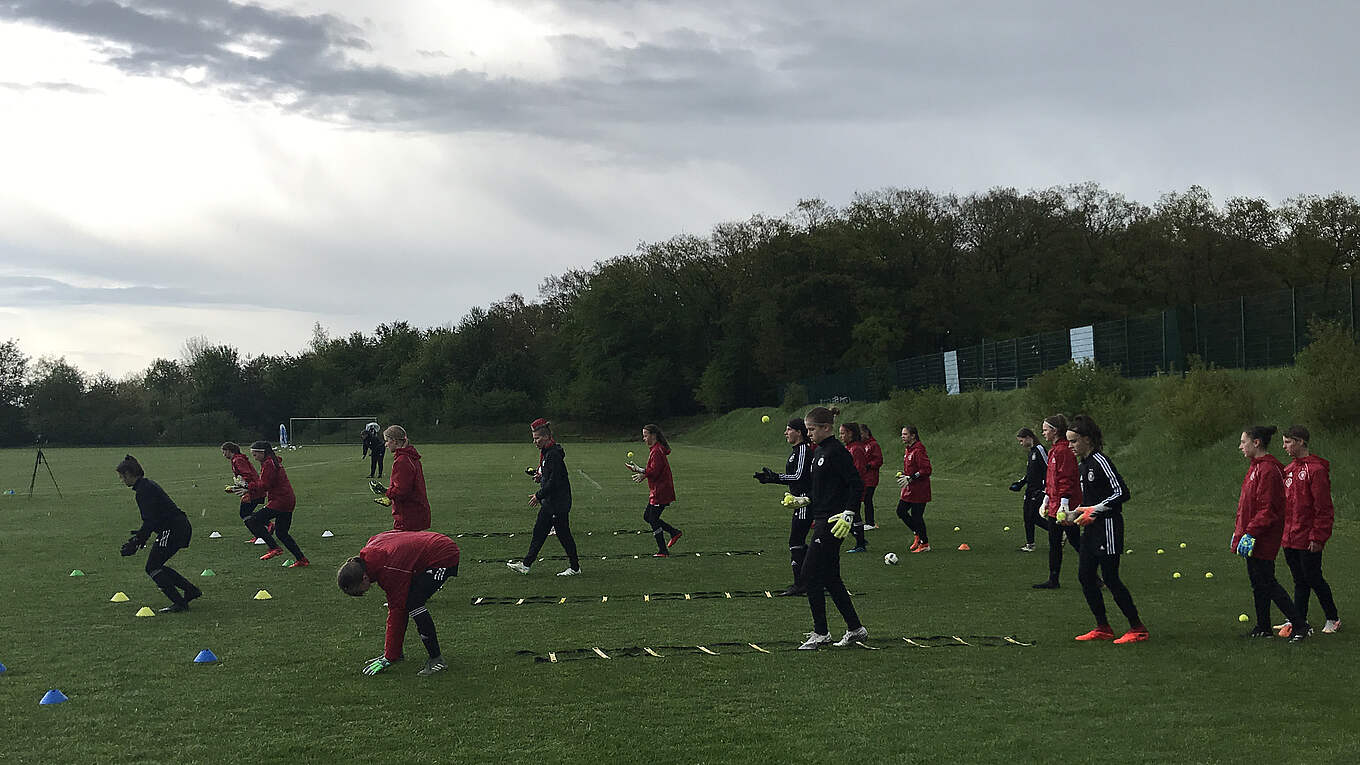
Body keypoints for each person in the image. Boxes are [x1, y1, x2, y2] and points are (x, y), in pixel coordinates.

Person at [1064, 415, 1148, 644]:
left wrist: (1095, 510)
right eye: (1069, 441)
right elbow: (1091, 501)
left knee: (1110, 577)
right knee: (1085, 576)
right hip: (1091, 529)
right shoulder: (1083, 465)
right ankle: (1103, 627)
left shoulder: (1101, 461)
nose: (1070, 446)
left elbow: (1121, 492)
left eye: (1073, 441)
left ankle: (1137, 628)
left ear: (1087, 439)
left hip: (1108, 527)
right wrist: (1075, 514)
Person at [337, 530, 461, 677]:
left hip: (443, 554)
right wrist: (391, 654)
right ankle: (397, 653)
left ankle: (437, 660)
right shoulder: (371, 553)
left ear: (364, 578)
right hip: (429, 547)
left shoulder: (388, 570)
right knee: (408, 601)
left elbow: (397, 611)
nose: (362, 594)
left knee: (414, 603)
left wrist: (389, 657)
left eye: (359, 591)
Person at [796, 406, 867, 649]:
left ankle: (821, 633)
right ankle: (855, 628)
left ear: (826, 428)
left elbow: (856, 484)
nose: (808, 434)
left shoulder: (837, 451)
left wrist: (849, 512)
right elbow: (824, 489)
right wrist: (805, 500)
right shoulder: (819, 451)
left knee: (809, 573)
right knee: (830, 577)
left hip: (832, 523)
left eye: (811, 429)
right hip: (821, 518)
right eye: (807, 430)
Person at [1232, 425, 1304, 640]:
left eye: (1243, 442)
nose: (1240, 446)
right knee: (1258, 583)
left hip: (1263, 536)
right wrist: (1239, 532)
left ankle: (1300, 625)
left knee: (1267, 582)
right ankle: (1263, 626)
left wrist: (1251, 532)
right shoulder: (1255, 468)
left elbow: (1268, 509)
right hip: (1253, 534)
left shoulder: (1268, 470)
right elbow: (1247, 506)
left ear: (1256, 443)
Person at [116, 455, 202, 613]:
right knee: (156, 565)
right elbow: (152, 519)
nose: (121, 480)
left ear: (128, 474)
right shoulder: (146, 485)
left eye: (122, 476)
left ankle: (180, 603)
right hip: (177, 527)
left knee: (152, 567)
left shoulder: (143, 491)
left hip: (172, 529)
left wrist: (137, 541)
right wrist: (140, 538)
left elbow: (150, 520)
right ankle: (190, 590)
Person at [1276, 425, 1340, 637]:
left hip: (1308, 536)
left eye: (1288, 442)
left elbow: (1323, 508)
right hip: (1290, 535)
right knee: (1299, 579)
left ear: (1300, 442)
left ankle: (1332, 617)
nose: (1284, 447)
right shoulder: (1288, 470)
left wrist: (1318, 536)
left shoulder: (1316, 470)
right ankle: (1298, 619)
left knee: (1313, 577)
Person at [507, 418, 581, 576]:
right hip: (551, 503)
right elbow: (550, 476)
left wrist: (538, 495)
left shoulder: (553, 454)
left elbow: (555, 482)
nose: (535, 442)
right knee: (540, 533)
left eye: (537, 438)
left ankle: (575, 568)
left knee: (563, 536)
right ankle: (526, 565)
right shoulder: (547, 452)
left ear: (547, 437)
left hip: (557, 503)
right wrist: (541, 477)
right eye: (534, 439)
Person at [754, 417, 817, 596]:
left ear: (799, 432)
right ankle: (810, 580)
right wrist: (771, 479)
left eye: (789, 429)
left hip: (805, 501)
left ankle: (802, 584)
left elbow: (799, 476)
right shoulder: (796, 451)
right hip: (799, 502)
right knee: (797, 542)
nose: (785, 433)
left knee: (795, 542)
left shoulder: (803, 450)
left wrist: (774, 477)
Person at [235, 441, 309, 568]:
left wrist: (247, 486)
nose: (254, 458)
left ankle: (274, 548)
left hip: (280, 500)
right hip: (287, 499)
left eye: (255, 454)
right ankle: (302, 559)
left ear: (262, 452)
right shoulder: (272, 462)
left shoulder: (269, 464)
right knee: (282, 533)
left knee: (253, 520)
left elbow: (265, 485)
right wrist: (248, 488)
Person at [1033, 415, 1082, 588]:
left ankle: (1097, 575)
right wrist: (1046, 499)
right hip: (1055, 505)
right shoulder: (1054, 451)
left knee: (1076, 541)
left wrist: (1064, 503)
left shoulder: (1064, 451)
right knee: (1055, 543)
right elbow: (1051, 479)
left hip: (1064, 506)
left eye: (1045, 430)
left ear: (1054, 431)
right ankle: (1053, 579)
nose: (1043, 433)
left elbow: (1066, 478)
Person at [626, 423, 681, 557]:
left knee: (652, 518)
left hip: (661, 490)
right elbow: (654, 470)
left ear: (653, 435)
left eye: (645, 435)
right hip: (659, 489)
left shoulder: (657, 451)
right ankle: (674, 532)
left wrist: (640, 471)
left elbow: (654, 472)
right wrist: (642, 473)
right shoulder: (656, 449)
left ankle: (663, 550)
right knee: (648, 516)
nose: (644, 438)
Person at [372, 425, 430, 531]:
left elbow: (402, 491)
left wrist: (386, 492)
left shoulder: (402, 460)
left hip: (408, 515)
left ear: (394, 441)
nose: (386, 444)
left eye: (387, 441)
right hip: (416, 511)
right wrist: (390, 498)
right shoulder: (411, 457)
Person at [1008, 427, 1049, 552]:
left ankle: (1059, 530)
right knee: (1027, 516)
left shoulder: (1040, 449)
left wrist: (1046, 487)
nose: (1021, 444)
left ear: (1028, 437)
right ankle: (1030, 544)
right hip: (1030, 489)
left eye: (1021, 441)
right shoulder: (1031, 452)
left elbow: (1049, 468)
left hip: (1039, 490)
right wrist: (1020, 483)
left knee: (1033, 516)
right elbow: (1031, 473)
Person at [895, 424, 933, 553]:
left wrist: (911, 477)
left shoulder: (919, 450)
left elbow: (926, 470)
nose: (902, 436)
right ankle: (917, 533)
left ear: (913, 436)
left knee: (917, 516)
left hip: (920, 489)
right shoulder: (909, 450)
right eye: (902, 434)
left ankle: (925, 544)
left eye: (905, 434)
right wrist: (905, 475)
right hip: (910, 489)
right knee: (901, 511)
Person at [222, 441, 264, 544]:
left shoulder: (238, 460)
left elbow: (247, 475)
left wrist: (246, 487)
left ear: (229, 451)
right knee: (246, 512)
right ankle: (264, 528)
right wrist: (235, 488)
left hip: (253, 490)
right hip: (252, 489)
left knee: (244, 513)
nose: (223, 455)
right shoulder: (237, 459)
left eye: (224, 452)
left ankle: (261, 534)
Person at [839, 422, 870, 553]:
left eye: (843, 433)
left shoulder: (856, 449)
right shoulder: (850, 447)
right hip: (849, 487)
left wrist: (849, 484)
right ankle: (860, 539)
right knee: (850, 513)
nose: (841, 436)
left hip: (853, 487)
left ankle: (860, 543)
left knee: (853, 514)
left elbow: (858, 470)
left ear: (850, 433)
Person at [860, 424, 883, 530]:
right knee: (863, 499)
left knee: (867, 499)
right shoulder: (860, 445)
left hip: (871, 477)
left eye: (861, 433)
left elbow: (879, 460)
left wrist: (869, 465)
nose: (860, 436)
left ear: (866, 433)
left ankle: (870, 522)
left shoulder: (873, 445)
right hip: (863, 477)